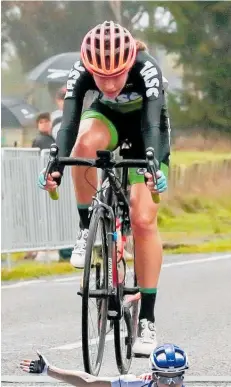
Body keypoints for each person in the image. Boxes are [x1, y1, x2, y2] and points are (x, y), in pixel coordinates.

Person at [36, 20, 171, 356]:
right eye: (101, 77)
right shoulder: (81, 70)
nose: (109, 84)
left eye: (117, 76)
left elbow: (153, 125)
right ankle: (87, 228)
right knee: (83, 144)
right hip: (106, 120)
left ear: (129, 64)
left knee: (142, 219)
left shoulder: (147, 69)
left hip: (145, 132)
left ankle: (147, 321)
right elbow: (67, 123)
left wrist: (154, 168)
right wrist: (55, 166)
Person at [20, 343, 189, 387]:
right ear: (154, 376)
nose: (172, 385)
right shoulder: (136, 383)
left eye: (177, 378)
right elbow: (89, 382)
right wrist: (49, 370)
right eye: (166, 380)